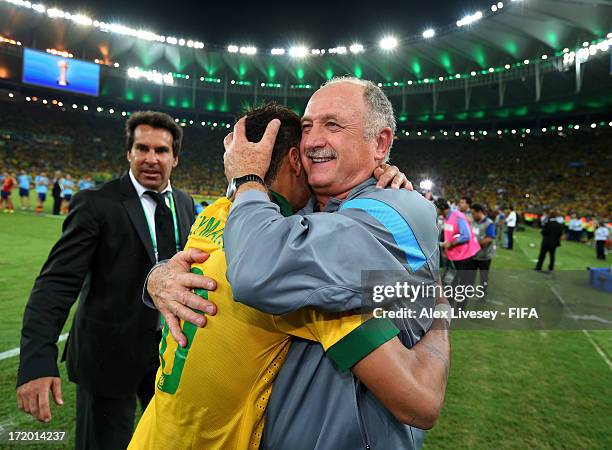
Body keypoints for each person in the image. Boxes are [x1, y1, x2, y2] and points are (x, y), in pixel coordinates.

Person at [147, 79, 450, 449]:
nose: (312, 140)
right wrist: (157, 276)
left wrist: (246, 179)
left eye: (333, 125)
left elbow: (420, 401)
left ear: (381, 143)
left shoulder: (399, 210)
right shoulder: (282, 223)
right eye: (307, 127)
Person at [16, 111, 196, 449]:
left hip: (167, 355)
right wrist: (37, 359)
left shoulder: (184, 204)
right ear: (129, 153)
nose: (151, 158)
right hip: (107, 359)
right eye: (142, 148)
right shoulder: (96, 203)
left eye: (161, 150)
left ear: (175, 158)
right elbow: (56, 283)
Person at [435, 197, 480, 304]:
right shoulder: (446, 217)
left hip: (465, 256)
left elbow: (466, 236)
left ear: (442, 208)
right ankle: (450, 303)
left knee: (464, 283)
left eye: (436, 208)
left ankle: (460, 307)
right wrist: (447, 249)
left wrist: (450, 244)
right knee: (452, 281)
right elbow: (450, 235)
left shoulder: (458, 216)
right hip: (455, 255)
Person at [471, 203, 496, 296]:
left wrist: (475, 244)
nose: (472, 216)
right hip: (473, 256)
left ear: (480, 212)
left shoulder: (489, 223)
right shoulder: (473, 221)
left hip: (484, 256)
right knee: (470, 276)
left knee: (483, 277)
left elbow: (490, 238)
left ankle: (482, 294)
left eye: (474, 213)